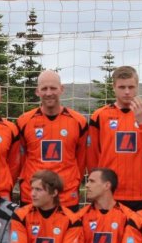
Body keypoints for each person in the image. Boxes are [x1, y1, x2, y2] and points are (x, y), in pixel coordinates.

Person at [87, 66, 142, 210]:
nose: (127, 92)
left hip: (139, 194)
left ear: (137, 87)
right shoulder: (100, 116)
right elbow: (92, 158)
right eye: (122, 87)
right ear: (114, 87)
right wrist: (96, 188)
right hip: (108, 194)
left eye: (131, 87)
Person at [16, 70, 88, 207]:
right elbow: (21, 158)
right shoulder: (24, 122)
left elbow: (81, 159)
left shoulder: (78, 121)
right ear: (37, 91)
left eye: (53, 88)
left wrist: (71, 181)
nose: (49, 93)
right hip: (32, 196)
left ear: (61, 89)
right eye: (44, 89)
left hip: (66, 196)